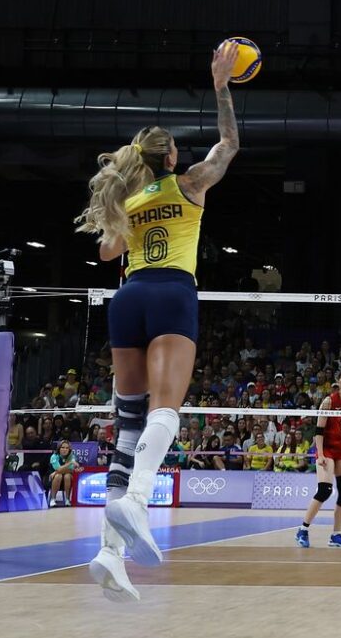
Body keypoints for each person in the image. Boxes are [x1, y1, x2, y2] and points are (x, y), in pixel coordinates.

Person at [75, 41, 242, 603]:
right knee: (165, 413)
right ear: (171, 159)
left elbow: (105, 253)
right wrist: (220, 86)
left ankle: (108, 554)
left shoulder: (129, 198)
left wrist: (125, 203)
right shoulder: (189, 183)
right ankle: (138, 499)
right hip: (172, 292)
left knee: (126, 426)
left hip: (127, 298)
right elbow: (230, 145)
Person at [296, 369, 341, 548]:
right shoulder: (329, 401)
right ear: (337, 381)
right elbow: (319, 431)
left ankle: (336, 535)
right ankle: (303, 529)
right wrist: (320, 454)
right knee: (325, 490)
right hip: (327, 449)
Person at [48, 441, 80, 507]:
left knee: (67, 476)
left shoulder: (72, 456)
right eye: (62, 447)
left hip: (67, 478)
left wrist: (56, 472)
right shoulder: (54, 456)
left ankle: (67, 500)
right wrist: (70, 463)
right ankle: (53, 499)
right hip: (53, 479)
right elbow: (58, 469)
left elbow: (71, 470)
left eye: (67, 448)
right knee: (58, 476)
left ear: (69, 449)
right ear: (59, 448)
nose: (65, 449)